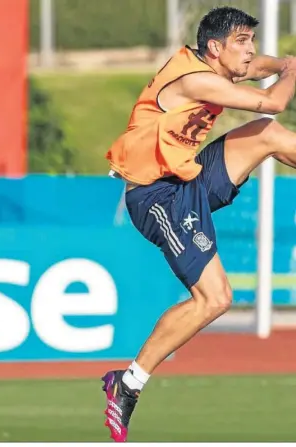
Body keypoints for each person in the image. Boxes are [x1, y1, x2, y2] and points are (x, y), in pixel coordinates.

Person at [102, 6, 296, 442]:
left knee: (267, 133)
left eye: (250, 41)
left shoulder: (217, 63)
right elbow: (276, 99)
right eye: (241, 42)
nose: (249, 52)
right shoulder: (196, 79)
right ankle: (127, 383)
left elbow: (263, 70)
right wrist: (291, 72)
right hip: (156, 198)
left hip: (186, 177)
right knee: (215, 298)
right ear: (215, 48)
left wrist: (284, 63)